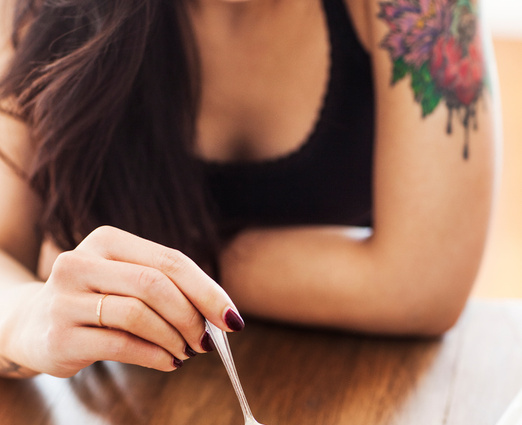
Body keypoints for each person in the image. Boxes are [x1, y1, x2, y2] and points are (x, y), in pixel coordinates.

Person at [0, 0, 499, 379]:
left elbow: (425, 286)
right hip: (129, 408)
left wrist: (170, 259)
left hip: (364, 385)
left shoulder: (419, 11)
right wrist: (26, 317)